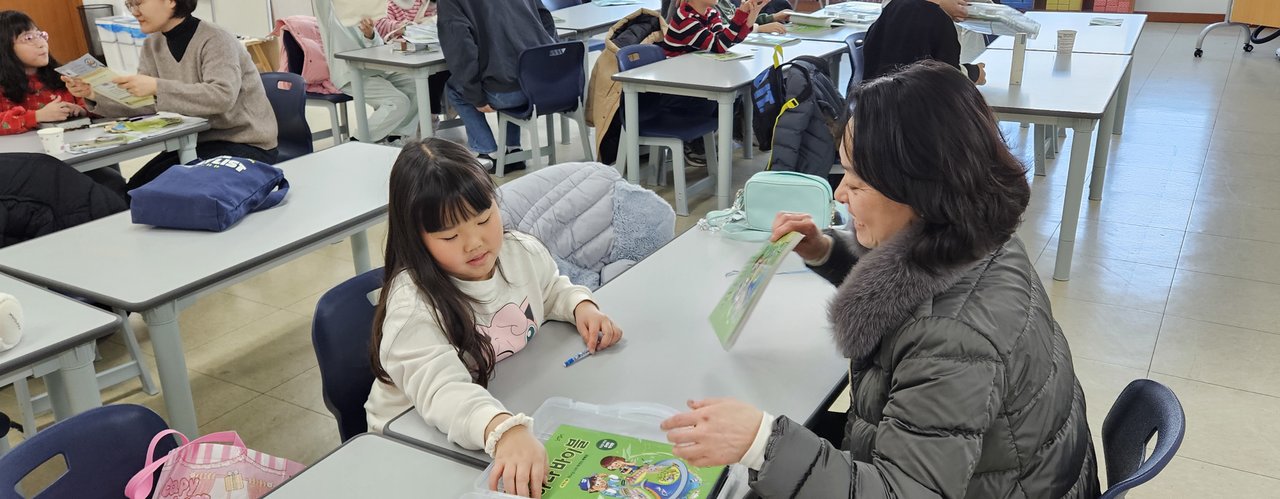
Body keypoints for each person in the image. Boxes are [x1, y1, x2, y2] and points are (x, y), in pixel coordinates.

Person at [659, 61, 1098, 498]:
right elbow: (909, 290)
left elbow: (906, 492)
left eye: (858, 182)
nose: (839, 193)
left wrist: (761, 443)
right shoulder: (976, 234)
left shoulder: (952, 339)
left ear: (919, 189)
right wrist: (826, 252)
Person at [364, 138, 624, 498]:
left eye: (484, 219)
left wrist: (581, 306)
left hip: (494, 408)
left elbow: (550, 289)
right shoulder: (413, 307)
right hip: (410, 440)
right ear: (416, 239)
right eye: (450, 235)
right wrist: (503, 430)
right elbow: (443, 391)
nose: (475, 243)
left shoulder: (519, 252)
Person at [62, 0, 278, 190]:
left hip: (245, 143)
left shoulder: (217, 39)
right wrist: (94, 93)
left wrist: (156, 87)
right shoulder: (152, 44)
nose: (134, 11)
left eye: (139, 2)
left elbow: (222, 96)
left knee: (160, 195)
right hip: (194, 143)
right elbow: (148, 104)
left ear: (171, 1)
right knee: (134, 192)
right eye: (130, 4)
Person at [0, 11, 128, 196]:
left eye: (40, 34)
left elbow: (98, 109)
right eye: (28, 38)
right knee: (107, 186)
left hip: (80, 152)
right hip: (34, 167)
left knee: (112, 183)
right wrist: (37, 116)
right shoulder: (3, 87)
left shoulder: (62, 76)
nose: (41, 43)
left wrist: (81, 110)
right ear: (5, 47)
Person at [438, 0, 555, 173]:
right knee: (504, 71)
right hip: (543, 83)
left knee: (457, 89)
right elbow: (545, 17)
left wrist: (477, 98)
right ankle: (514, 149)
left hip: (509, 90)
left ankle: (487, 152)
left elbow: (461, 48)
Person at [316, 0, 421, 145]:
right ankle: (356, 141)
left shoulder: (363, 9)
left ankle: (396, 138)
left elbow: (377, 46)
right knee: (398, 103)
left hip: (376, 69)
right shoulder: (330, 13)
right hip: (350, 74)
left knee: (414, 84)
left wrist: (370, 35)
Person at [862, 0, 986, 84]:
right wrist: (973, 73)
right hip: (914, 109)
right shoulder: (936, 19)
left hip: (872, 106)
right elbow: (949, 80)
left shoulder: (891, 10)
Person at [660, 0, 791, 35]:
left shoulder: (718, 5)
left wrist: (771, 18)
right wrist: (757, 28)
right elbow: (721, 35)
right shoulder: (690, 12)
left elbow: (732, 21)